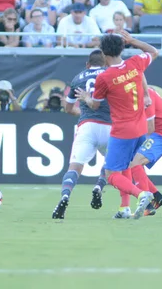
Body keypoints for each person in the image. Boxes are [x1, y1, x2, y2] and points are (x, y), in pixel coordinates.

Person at [75, 31, 159, 220]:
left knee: (111, 173)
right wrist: (133, 41)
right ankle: (125, 208)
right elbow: (154, 51)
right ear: (122, 48)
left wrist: (86, 97)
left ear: (104, 54)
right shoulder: (135, 63)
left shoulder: (104, 78)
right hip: (140, 128)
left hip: (122, 131)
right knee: (130, 166)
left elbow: (95, 105)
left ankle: (141, 195)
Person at [52, 50, 112, 219]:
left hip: (87, 126)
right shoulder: (111, 74)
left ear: (87, 64)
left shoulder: (78, 78)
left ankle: (65, 196)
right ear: (105, 63)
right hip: (110, 126)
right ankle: (99, 186)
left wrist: (85, 114)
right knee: (111, 164)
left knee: (75, 167)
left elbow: (69, 108)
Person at [120, 87, 162, 218]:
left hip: (161, 135)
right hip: (159, 134)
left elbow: (150, 128)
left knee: (133, 163)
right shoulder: (142, 92)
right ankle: (157, 197)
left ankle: (148, 205)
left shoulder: (146, 95)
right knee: (132, 163)